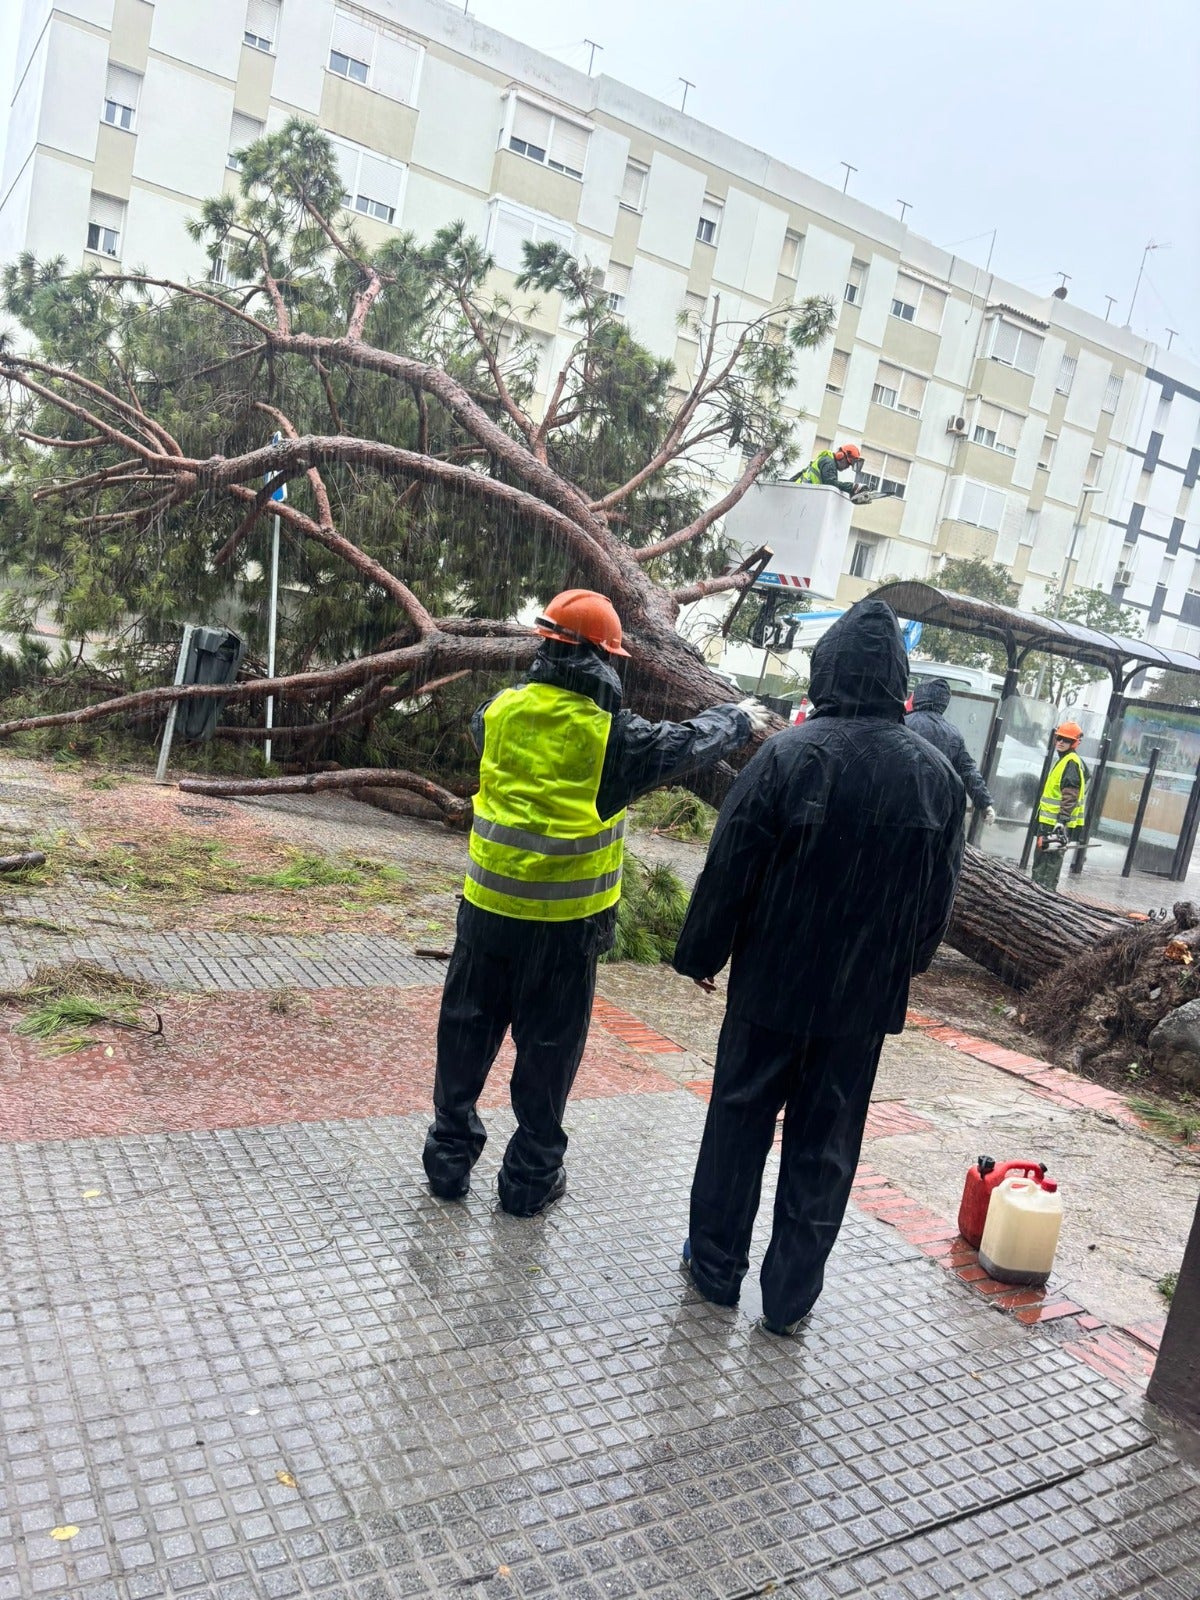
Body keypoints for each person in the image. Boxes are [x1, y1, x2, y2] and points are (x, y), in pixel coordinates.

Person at [423, 588, 768, 1217]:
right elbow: (687, 743)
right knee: (548, 1056)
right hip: (565, 931)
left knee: (464, 1037)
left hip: (485, 916)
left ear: (545, 645)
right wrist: (739, 718)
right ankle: (528, 1183)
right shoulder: (614, 738)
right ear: (605, 658)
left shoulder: (496, 712)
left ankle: (447, 1164)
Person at [672, 598, 965, 1334]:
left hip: (771, 987)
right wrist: (904, 964)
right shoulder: (935, 776)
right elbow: (938, 898)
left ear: (826, 671)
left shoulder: (786, 755)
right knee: (826, 1146)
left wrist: (704, 951)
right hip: (859, 1003)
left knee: (738, 1123)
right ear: (897, 679)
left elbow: (730, 865)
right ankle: (791, 1298)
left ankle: (714, 1269)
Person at [905, 678, 996, 824]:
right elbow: (968, 771)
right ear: (944, 702)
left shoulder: (903, 723)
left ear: (918, 697)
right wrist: (985, 804)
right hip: (933, 810)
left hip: (901, 802)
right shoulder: (953, 734)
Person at [1031, 721, 1087, 892]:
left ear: (1074, 743)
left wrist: (1062, 821)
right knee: (1045, 859)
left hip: (1054, 823)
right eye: (1059, 738)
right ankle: (1040, 891)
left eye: (1066, 740)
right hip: (1051, 821)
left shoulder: (1070, 762)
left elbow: (1070, 794)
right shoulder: (1066, 761)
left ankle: (1042, 893)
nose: (1061, 742)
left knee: (1048, 861)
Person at [792, 443, 863, 497]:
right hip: (801, 494)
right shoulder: (829, 463)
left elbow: (802, 473)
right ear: (840, 455)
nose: (847, 467)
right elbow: (830, 483)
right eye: (848, 463)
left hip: (801, 493)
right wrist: (851, 487)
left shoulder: (826, 460)